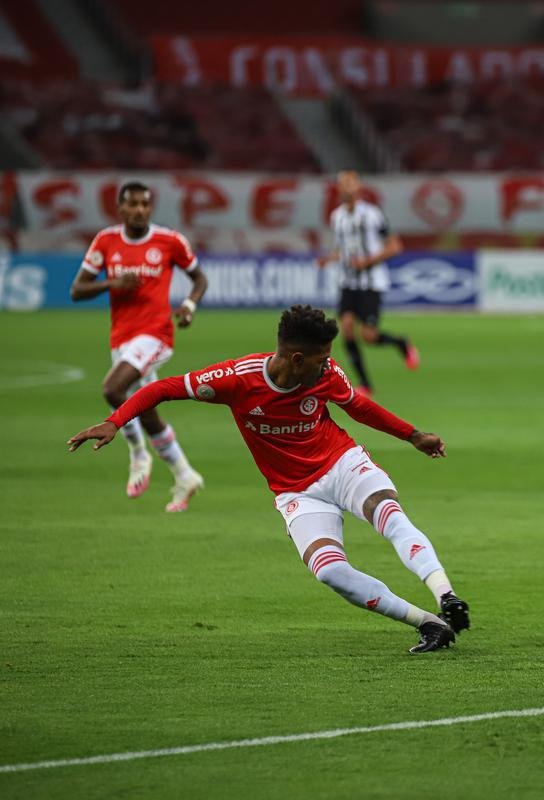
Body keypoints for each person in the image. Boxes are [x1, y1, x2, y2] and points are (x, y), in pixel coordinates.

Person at [67, 305, 469, 653]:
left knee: (388, 513)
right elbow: (162, 388)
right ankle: (430, 623)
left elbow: (359, 407)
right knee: (330, 572)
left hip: (341, 463)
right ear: (295, 358)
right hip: (295, 491)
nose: (329, 365)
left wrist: (413, 436)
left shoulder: (325, 374)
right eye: (321, 359)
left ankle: (446, 595)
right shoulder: (237, 379)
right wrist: (114, 421)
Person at [70, 181, 208, 512]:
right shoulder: (106, 241)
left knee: (112, 388)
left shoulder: (169, 241)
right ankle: (185, 474)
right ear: (120, 209)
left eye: (145, 204)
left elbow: (199, 279)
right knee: (144, 406)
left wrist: (188, 306)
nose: (139, 210)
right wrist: (112, 283)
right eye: (132, 204)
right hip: (121, 338)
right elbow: (77, 289)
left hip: (156, 334)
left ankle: (137, 454)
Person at [319, 170, 419, 397]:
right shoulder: (337, 217)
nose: (346, 188)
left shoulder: (373, 215)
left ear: (358, 188)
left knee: (369, 336)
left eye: (350, 184)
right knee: (345, 328)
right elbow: (341, 250)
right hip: (347, 282)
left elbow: (395, 246)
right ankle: (365, 385)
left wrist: (367, 261)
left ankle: (401, 343)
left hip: (372, 283)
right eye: (342, 184)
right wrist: (329, 258)